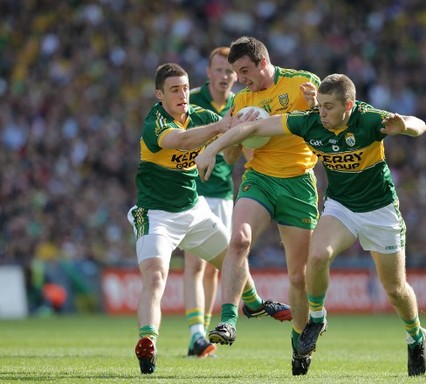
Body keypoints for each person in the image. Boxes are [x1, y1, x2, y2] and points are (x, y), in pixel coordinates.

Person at [195, 73, 426, 376]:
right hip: (341, 208)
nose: (322, 113)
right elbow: (252, 127)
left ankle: (415, 335)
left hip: (380, 211)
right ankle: (316, 319)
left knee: (395, 289)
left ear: (349, 104)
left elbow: (419, 124)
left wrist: (405, 126)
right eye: (319, 105)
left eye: (329, 107)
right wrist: (210, 149)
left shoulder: (369, 119)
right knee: (316, 258)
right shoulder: (310, 122)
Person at [127, 63, 291, 375]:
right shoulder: (155, 122)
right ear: (159, 94)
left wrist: (254, 123)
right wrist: (220, 129)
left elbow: (233, 131)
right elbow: (183, 141)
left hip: (193, 211)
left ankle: (254, 303)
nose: (183, 94)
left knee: (232, 257)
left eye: (186, 88)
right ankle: (148, 342)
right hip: (156, 215)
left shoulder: (200, 115)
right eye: (175, 89)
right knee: (156, 275)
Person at [205, 36, 320, 376]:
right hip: (260, 179)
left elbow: (325, 126)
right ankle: (228, 320)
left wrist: (315, 107)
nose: (240, 79)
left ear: (263, 63)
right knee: (238, 240)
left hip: (299, 183)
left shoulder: (303, 83)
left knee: (299, 278)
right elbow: (230, 155)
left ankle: (300, 346)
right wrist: (237, 133)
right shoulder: (242, 99)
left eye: (243, 71)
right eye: (235, 72)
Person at [183, 46, 240, 358]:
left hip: (222, 191)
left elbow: (232, 157)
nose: (224, 76)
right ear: (208, 72)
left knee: (216, 269)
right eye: (219, 70)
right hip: (192, 188)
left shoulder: (239, 104)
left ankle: (201, 338)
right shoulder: (189, 100)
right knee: (194, 262)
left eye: (230, 71)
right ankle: (196, 335)